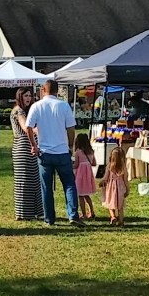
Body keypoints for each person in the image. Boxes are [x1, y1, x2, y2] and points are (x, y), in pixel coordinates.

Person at [25, 80, 84, 227]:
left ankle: (49, 218)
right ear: (57, 91)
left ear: (43, 90)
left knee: (46, 187)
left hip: (44, 152)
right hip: (62, 151)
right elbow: (71, 129)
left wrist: (34, 145)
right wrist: (70, 146)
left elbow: (28, 127)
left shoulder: (36, 106)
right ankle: (73, 215)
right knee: (69, 184)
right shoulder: (64, 106)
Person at [10, 87, 43, 221]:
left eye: (30, 96)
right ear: (20, 97)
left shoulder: (26, 110)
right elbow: (25, 127)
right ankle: (24, 213)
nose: (28, 98)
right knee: (24, 180)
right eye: (25, 96)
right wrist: (38, 130)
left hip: (30, 147)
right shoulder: (18, 111)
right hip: (23, 148)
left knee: (34, 179)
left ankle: (37, 211)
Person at [100, 146, 129, 226]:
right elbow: (125, 180)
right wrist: (127, 189)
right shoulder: (123, 167)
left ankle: (113, 217)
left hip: (111, 188)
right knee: (120, 206)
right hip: (120, 188)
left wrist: (102, 182)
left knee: (110, 203)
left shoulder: (109, 166)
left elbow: (105, 177)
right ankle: (121, 221)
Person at [73, 133, 97, 219]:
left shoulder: (78, 152)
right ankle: (92, 211)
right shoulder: (91, 151)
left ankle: (84, 214)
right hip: (88, 175)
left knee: (80, 195)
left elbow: (76, 165)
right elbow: (94, 163)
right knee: (86, 194)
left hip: (80, 175)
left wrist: (71, 166)